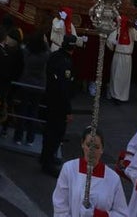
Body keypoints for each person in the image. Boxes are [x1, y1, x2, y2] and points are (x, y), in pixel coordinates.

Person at [52, 126, 129, 217]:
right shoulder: (69, 169)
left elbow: (122, 214)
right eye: (88, 145)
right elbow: (60, 206)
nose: (92, 151)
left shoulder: (113, 179)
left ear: (102, 149)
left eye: (96, 147)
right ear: (82, 144)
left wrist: (97, 214)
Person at [41, 33, 78, 176]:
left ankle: (46, 157)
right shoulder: (65, 62)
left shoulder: (55, 56)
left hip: (51, 100)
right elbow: (64, 87)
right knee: (55, 133)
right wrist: (68, 110)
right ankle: (47, 162)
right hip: (59, 104)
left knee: (49, 131)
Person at [108, 14, 137, 104]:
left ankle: (122, 96)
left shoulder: (131, 30)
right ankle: (114, 95)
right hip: (118, 55)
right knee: (116, 76)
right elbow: (109, 41)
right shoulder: (117, 30)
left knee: (124, 78)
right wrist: (113, 43)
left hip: (127, 57)